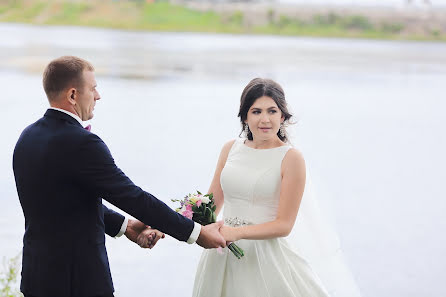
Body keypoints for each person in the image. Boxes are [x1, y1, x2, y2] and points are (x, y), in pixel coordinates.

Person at [12, 56, 226, 297]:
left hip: (36, 278)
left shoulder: (26, 138)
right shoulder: (83, 143)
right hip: (79, 283)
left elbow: (63, 202)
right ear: (73, 95)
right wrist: (196, 233)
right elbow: (132, 197)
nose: (98, 96)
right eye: (93, 88)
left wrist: (126, 227)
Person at [192, 78, 361, 297]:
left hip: (265, 259)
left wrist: (236, 232)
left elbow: (284, 225)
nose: (265, 119)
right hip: (220, 255)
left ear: (282, 116)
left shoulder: (291, 158)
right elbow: (209, 206)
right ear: (244, 116)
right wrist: (165, 224)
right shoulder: (229, 149)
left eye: (272, 111)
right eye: (256, 111)